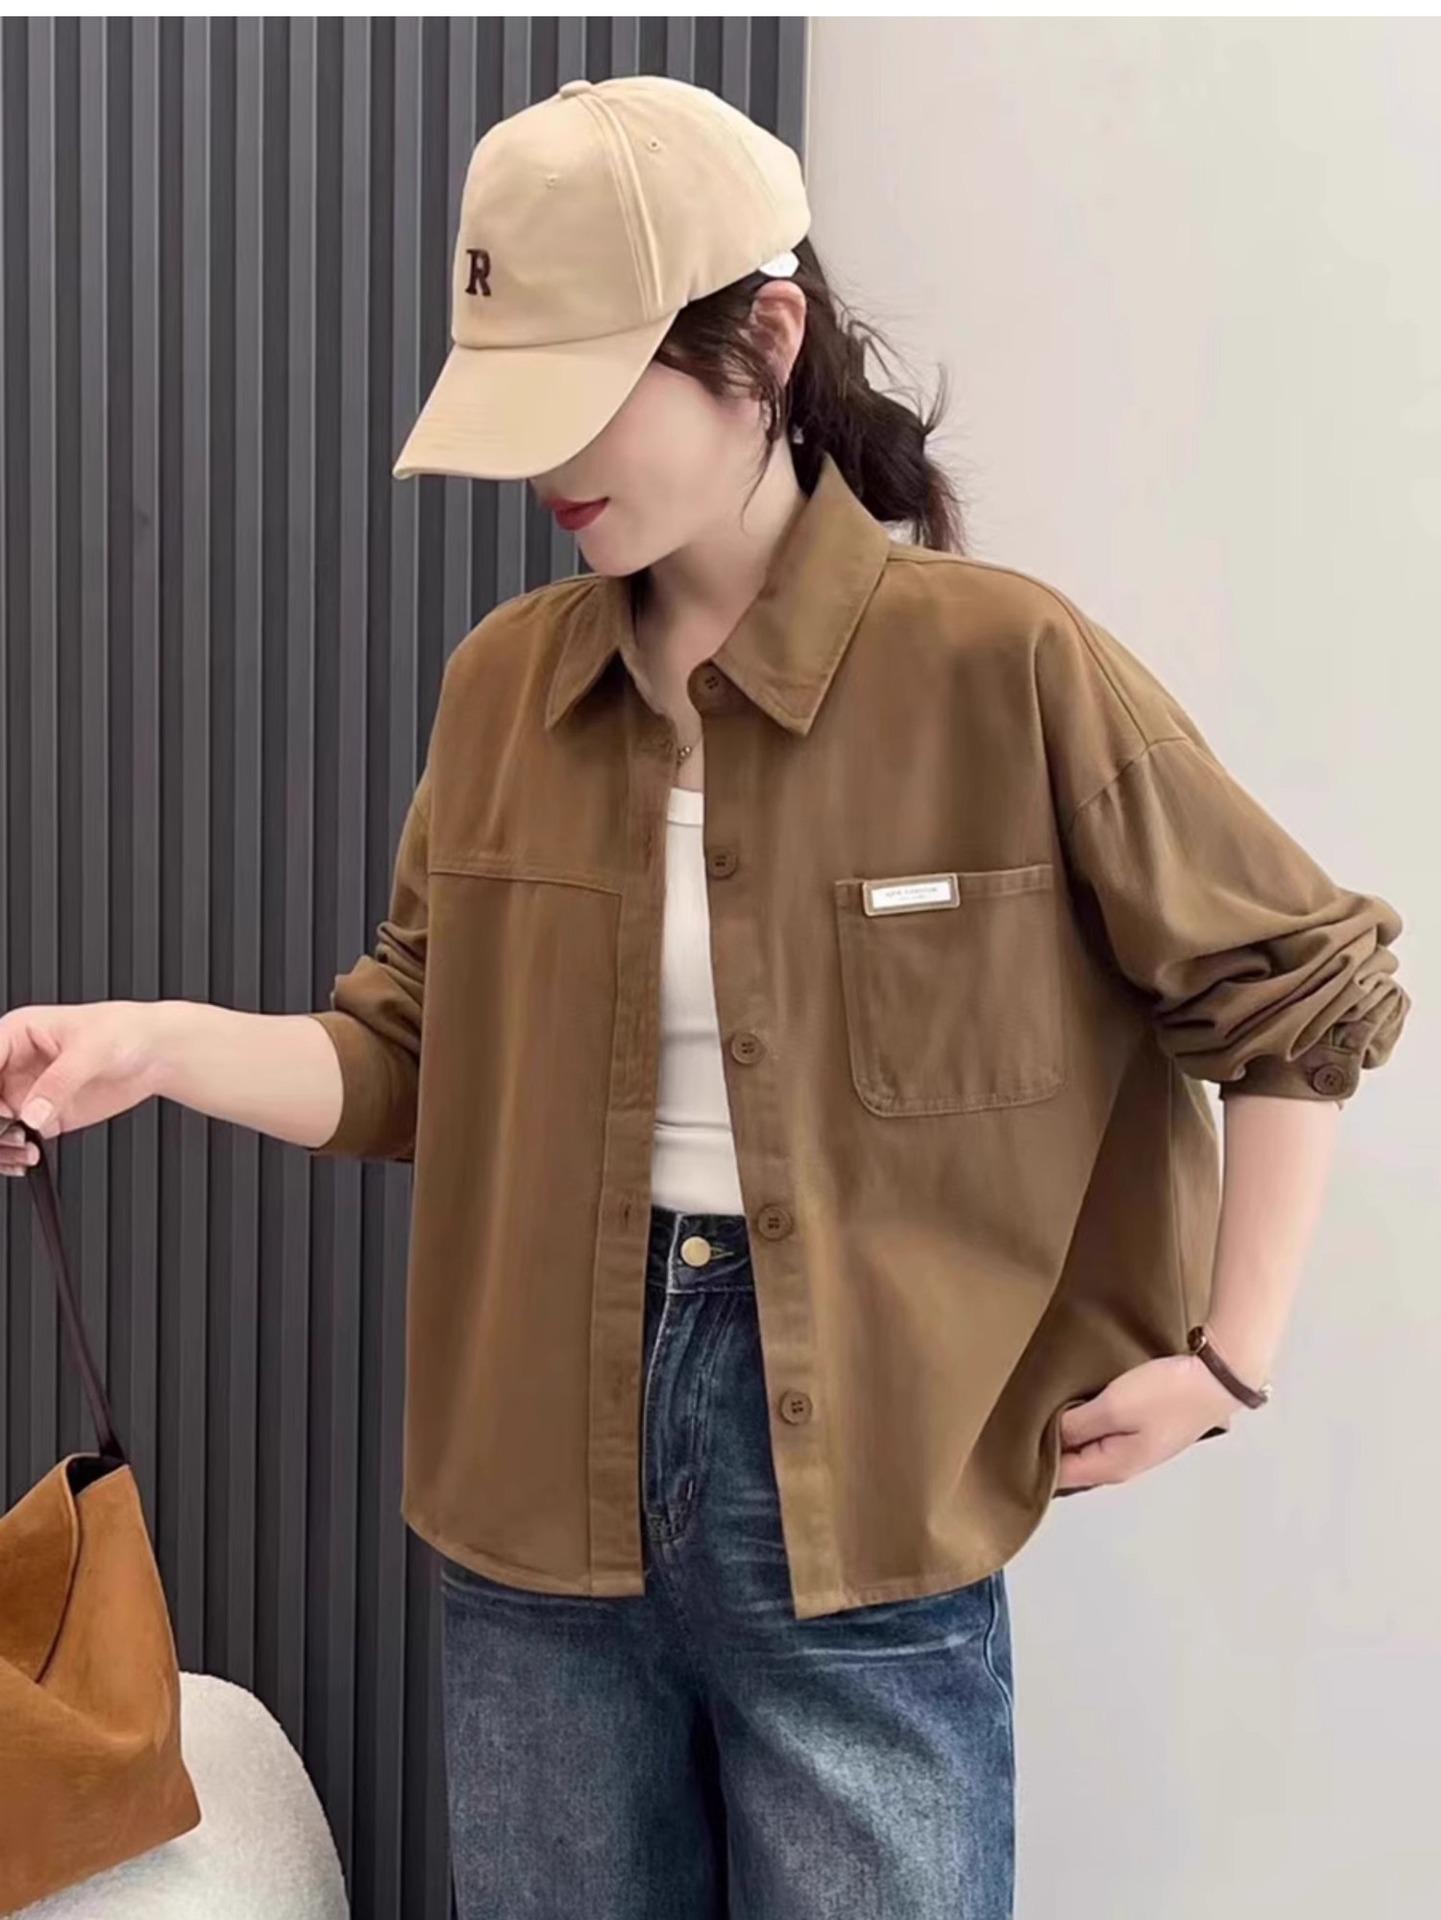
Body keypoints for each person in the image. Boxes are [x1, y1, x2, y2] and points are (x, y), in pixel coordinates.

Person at [0, 74, 1411, 1920]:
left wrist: (1228, 1360)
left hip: (865, 1510)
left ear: (766, 341)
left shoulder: (1000, 666)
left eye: (585, 397)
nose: (543, 466)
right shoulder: (505, 687)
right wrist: (148, 1048)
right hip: (532, 1499)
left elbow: (1299, 992)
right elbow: (407, 1051)